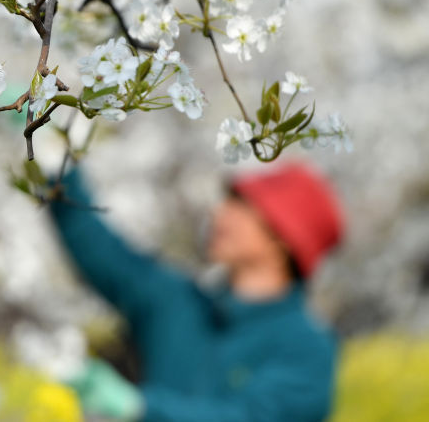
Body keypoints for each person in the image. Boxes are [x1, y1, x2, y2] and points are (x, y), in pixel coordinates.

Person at [50, 161, 344, 421]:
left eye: (242, 204)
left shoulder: (307, 350)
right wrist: (55, 157)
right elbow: (101, 252)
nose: (220, 213)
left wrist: (140, 408)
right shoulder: (178, 303)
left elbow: (251, 417)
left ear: (283, 239)